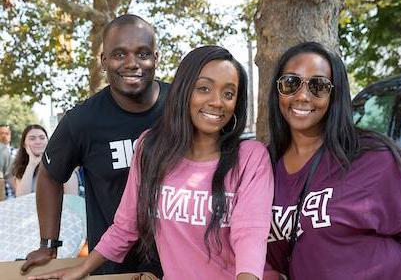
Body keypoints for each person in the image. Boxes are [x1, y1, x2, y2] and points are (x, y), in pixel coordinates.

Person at [29, 46, 274, 280]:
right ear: (184, 91)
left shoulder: (251, 157)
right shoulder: (151, 149)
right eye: (204, 89)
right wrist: (82, 269)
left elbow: (250, 234)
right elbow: (126, 225)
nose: (217, 101)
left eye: (229, 93)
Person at [266, 41, 401, 279]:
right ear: (277, 90)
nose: (302, 95)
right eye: (291, 83)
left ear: (335, 95)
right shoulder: (262, 168)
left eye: (318, 86)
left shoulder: (372, 157)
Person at [21, 14, 170, 276]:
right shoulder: (82, 120)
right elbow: (49, 174)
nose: (132, 63)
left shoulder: (182, 105)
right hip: (112, 264)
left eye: (143, 53)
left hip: (180, 259)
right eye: (119, 54)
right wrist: (48, 244)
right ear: (103, 61)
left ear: (156, 58)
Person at [11, 124, 78, 196]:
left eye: (42, 138)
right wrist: (32, 164)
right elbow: (21, 197)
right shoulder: (20, 167)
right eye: (32, 138)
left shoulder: (62, 164)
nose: (38, 142)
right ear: (24, 145)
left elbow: (71, 197)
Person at [0, 124, 15, 198]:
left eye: (6, 133)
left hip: (14, 198)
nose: (4, 136)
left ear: (10, 136)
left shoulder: (17, 154)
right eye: (1, 133)